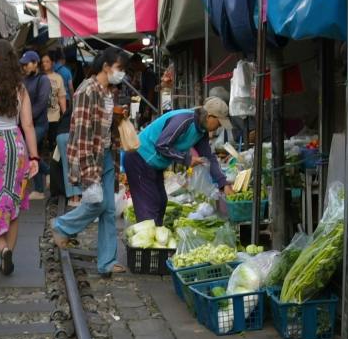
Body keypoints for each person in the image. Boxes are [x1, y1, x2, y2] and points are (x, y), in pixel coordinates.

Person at [50, 51, 128, 278]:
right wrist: (89, 173)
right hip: (90, 156)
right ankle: (62, 226)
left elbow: (103, 127)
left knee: (109, 208)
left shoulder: (109, 92)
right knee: (99, 204)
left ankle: (107, 262)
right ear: (106, 66)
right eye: (119, 68)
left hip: (107, 154)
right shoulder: (87, 91)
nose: (121, 73)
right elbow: (82, 134)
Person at [0, 39, 43, 276]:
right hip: (16, 146)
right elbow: (28, 125)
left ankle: (2, 247)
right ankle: (7, 253)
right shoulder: (20, 88)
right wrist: (35, 158)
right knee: (13, 204)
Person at [125, 96, 229, 228]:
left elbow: (209, 157)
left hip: (153, 164)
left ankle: (155, 237)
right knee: (150, 205)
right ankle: (146, 245)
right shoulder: (184, 120)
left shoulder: (201, 132)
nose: (219, 127)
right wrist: (187, 159)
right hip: (139, 158)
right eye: (219, 123)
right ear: (209, 116)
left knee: (161, 202)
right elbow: (162, 145)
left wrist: (223, 183)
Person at [40, 47, 73, 206]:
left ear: (52, 63)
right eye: (43, 62)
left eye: (47, 61)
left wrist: (66, 117)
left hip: (55, 117)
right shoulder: (39, 78)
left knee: (55, 151)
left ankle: (52, 178)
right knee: (41, 150)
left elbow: (62, 98)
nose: (45, 64)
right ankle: (46, 175)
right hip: (40, 118)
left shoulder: (58, 78)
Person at [20, 48, 50, 200]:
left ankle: (49, 172)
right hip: (26, 124)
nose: (24, 67)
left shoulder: (43, 80)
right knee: (33, 152)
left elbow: (42, 102)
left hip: (39, 124)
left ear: (35, 63)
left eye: (27, 64)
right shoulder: (24, 80)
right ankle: (39, 188)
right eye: (23, 65)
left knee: (28, 149)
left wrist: (27, 117)